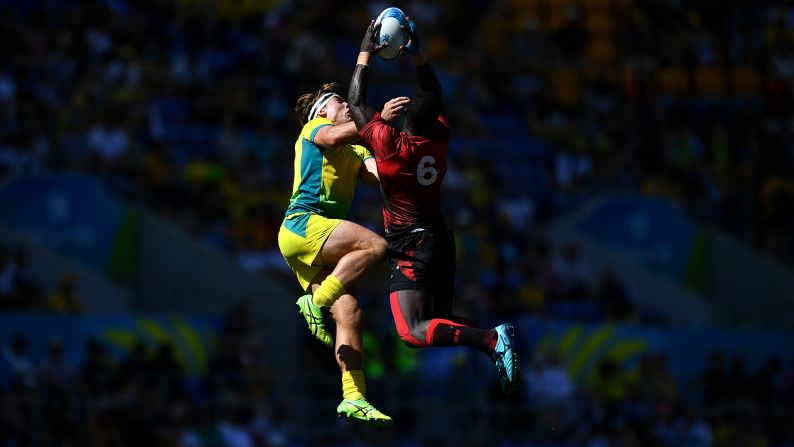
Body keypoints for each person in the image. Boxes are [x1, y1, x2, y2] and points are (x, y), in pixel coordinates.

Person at [346, 19, 521, 394]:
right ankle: (489, 342)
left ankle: (491, 340)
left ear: (406, 120)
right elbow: (434, 96)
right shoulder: (438, 140)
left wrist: (366, 51)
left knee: (411, 331)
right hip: (440, 239)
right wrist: (419, 56)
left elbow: (356, 104)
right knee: (438, 320)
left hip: (412, 243)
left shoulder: (392, 146)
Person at [278, 82, 400, 426]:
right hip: (304, 224)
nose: (348, 106)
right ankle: (314, 304)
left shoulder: (357, 148)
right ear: (321, 111)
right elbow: (334, 138)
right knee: (376, 246)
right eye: (339, 102)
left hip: (314, 242)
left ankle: (353, 396)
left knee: (350, 314)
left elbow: (379, 176)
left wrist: (400, 150)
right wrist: (375, 119)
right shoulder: (315, 128)